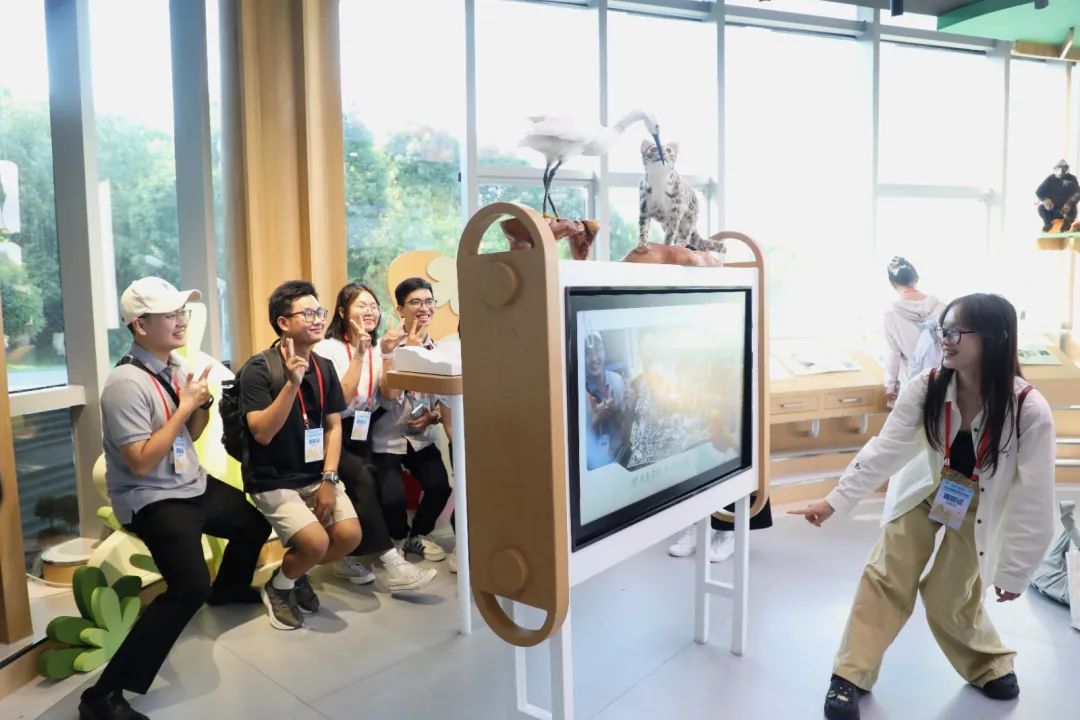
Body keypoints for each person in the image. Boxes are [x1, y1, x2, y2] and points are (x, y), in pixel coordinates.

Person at [789, 293, 1056, 720]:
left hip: (981, 502)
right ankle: (849, 675)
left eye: (957, 331)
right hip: (926, 486)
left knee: (950, 594)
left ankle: (988, 662)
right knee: (886, 574)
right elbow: (885, 449)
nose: (945, 339)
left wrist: (1016, 570)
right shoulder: (926, 386)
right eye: (942, 330)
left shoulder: (1029, 410)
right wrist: (835, 500)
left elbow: (1036, 498)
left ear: (996, 337)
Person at [80, 278, 270, 720]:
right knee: (188, 588)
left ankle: (228, 590)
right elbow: (140, 462)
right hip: (151, 497)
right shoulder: (125, 384)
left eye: (181, 311)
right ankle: (101, 696)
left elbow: (191, 435)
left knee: (254, 524)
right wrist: (185, 405)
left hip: (190, 483)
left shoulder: (175, 367)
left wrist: (200, 405)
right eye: (170, 314)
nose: (181, 320)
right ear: (140, 325)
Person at [240, 280, 362, 630]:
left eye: (319, 312)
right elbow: (262, 433)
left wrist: (329, 479)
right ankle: (279, 588)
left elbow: (333, 427)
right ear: (283, 322)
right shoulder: (258, 369)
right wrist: (292, 384)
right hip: (272, 479)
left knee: (349, 536)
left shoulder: (323, 366)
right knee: (315, 541)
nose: (318, 319)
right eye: (307, 313)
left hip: (315, 475)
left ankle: (292, 576)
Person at [315, 282, 436, 592]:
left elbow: (389, 396)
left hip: (364, 427)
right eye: (361, 305)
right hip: (333, 428)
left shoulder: (378, 348)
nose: (369, 311)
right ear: (343, 312)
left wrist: (390, 354)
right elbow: (340, 399)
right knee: (364, 481)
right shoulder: (327, 349)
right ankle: (392, 563)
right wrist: (358, 354)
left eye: (373, 306)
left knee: (366, 488)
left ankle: (346, 555)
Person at [371, 277, 453, 563]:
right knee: (391, 498)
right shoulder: (385, 347)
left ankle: (418, 535)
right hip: (387, 437)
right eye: (415, 302)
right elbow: (388, 396)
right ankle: (399, 538)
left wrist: (432, 417)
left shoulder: (439, 351)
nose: (424, 308)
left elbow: (442, 401)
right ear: (400, 309)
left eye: (429, 301)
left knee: (440, 487)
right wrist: (408, 354)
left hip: (420, 438)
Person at [883, 257, 945, 405]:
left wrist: (890, 384)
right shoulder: (941, 306)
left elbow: (893, 353)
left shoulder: (891, 314)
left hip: (912, 380)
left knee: (911, 418)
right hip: (942, 378)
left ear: (892, 283)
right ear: (916, 278)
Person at [583, 331, 628, 470]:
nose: (594, 358)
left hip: (621, 459)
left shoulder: (617, 381)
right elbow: (577, 446)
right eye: (587, 353)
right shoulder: (579, 391)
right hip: (594, 467)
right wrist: (594, 420)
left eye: (598, 350)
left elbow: (627, 431)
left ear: (604, 352)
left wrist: (616, 410)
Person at [1035, 158, 1080, 232]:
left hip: (1067, 209)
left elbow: (1077, 193)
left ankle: (1066, 225)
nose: (1061, 170)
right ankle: (1048, 224)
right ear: (1055, 168)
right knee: (1041, 208)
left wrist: (1069, 204)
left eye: (1064, 168)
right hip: (1053, 209)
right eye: (1059, 168)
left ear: (1067, 168)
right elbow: (1039, 191)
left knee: (1072, 210)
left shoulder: (1072, 179)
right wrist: (1045, 199)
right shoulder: (1050, 178)